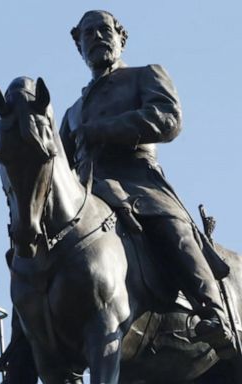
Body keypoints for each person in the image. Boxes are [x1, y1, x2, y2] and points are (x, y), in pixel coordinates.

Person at [59, 10, 235, 358]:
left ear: (120, 36)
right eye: (87, 34)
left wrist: (104, 129)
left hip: (139, 181)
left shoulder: (144, 76)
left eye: (103, 30)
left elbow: (168, 118)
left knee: (175, 232)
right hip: (87, 193)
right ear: (78, 45)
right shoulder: (73, 112)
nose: (96, 37)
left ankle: (214, 315)